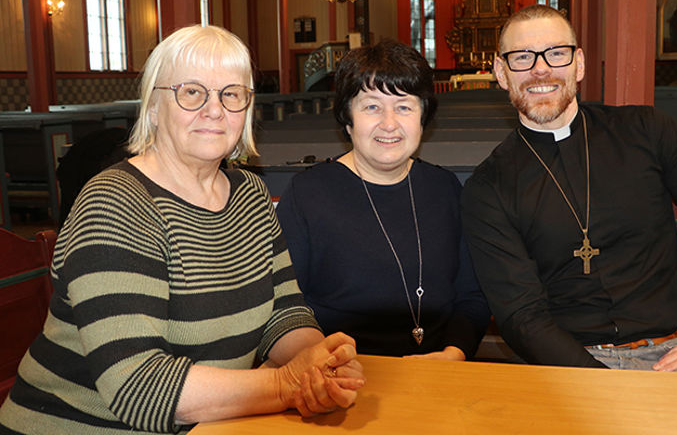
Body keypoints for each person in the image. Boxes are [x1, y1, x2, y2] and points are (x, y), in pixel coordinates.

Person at [0, 25, 364, 435]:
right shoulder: (116, 202)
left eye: (231, 93)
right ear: (154, 106)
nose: (215, 110)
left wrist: (319, 363)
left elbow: (284, 309)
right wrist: (287, 384)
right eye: (192, 92)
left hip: (206, 425)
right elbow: (138, 386)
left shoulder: (250, 193)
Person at [461, 5, 677, 372]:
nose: (540, 69)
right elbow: (521, 316)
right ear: (501, 73)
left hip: (669, 357)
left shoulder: (646, 131)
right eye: (522, 57)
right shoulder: (488, 186)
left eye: (556, 53)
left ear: (578, 63)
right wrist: (606, 388)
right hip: (564, 368)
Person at [276, 40, 491, 360]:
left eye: (404, 106)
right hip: (341, 374)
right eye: (371, 106)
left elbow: (471, 295)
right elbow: (287, 309)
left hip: (441, 374)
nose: (389, 123)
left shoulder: (444, 188)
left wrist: (453, 354)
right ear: (348, 119)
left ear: (423, 117)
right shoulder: (308, 194)